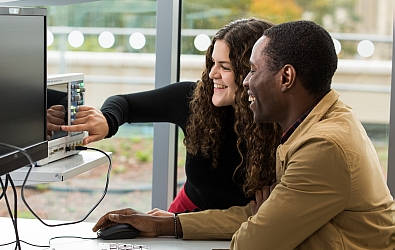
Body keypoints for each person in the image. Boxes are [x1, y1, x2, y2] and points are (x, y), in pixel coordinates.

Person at [92, 20, 395, 249]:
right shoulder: (322, 121)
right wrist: (164, 225)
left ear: (286, 77)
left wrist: (261, 218)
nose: (247, 81)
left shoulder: (321, 146)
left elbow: (251, 242)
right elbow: (256, 216)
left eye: (251, 69)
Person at [52, 18, 281, 214]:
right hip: (185, 215)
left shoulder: (286, 121)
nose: (212, 73)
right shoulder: (194, 100)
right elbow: (125, 104)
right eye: (212, 63)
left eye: (225, 67)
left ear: (252, 71)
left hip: (250, 223)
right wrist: (108, 121)